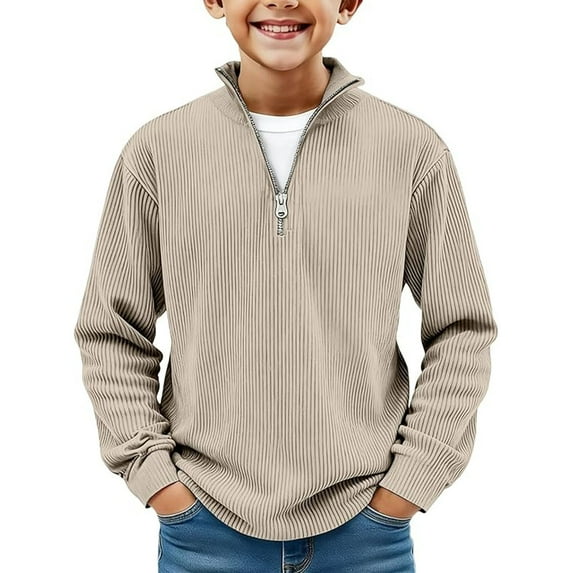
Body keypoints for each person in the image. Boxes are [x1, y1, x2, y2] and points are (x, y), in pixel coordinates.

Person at [73, 0, 498, 571]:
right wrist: (157, 481)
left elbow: (462, 330)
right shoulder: (157, 152)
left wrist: (410, 484)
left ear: (348, 3)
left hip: (366, 534)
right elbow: (110, 331)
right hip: (204, 532)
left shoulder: (410, 150)